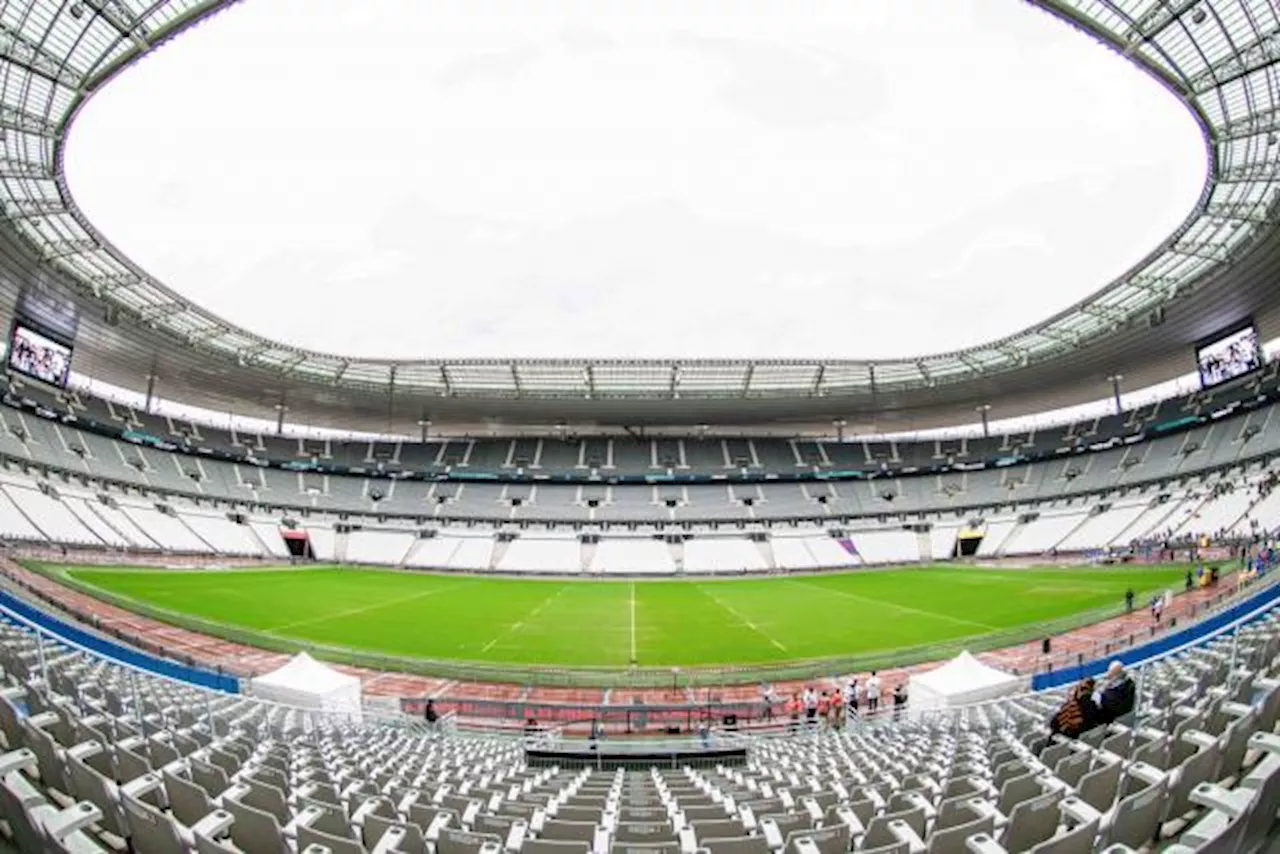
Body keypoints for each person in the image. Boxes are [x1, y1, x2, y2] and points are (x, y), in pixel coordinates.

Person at [1048, 677, 1098, 743]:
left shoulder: (1070, 706)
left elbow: (1053, 724)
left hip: (1065, 741)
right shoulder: (1093, 706)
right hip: (1079, 742)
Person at [1094, 661, 1136, 725]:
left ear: (1113, 676)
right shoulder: (1130, 685)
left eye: (1110, 675)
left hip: (1113, 722)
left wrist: (1102, 690)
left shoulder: (1107, 695)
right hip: (1127, 716)